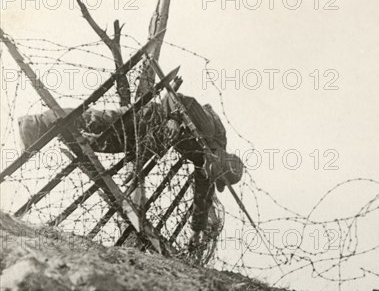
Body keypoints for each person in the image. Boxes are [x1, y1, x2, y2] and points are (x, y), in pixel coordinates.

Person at [18, 90, 244, 249]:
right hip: (150, 117)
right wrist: (174, 118)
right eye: (216, 174)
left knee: (103, 143)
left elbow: (203, 193)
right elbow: (179, 99)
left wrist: (197, 229)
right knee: (100, 121)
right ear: (222, 160)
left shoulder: (205, 159)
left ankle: (56, 130)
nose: (209, 174)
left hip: (150, 138)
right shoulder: (208, 129)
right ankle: (35, 123)